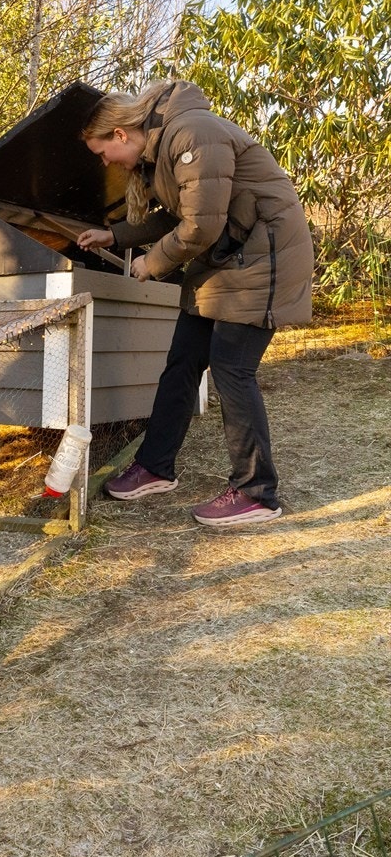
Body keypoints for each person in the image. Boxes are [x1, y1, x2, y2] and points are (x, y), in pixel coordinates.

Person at [76, 79, 314, 527]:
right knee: (183, 362)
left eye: (103, 152)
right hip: (227, 261)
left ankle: (257, 492)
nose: (105, 161)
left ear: (121, 134)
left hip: (263, 259)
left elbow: (201, 225)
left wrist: (153, 263)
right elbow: (181, 212)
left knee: (232, 372)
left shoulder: (192, 134)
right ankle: (155, 466)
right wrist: (118, 235)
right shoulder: (166, 145)